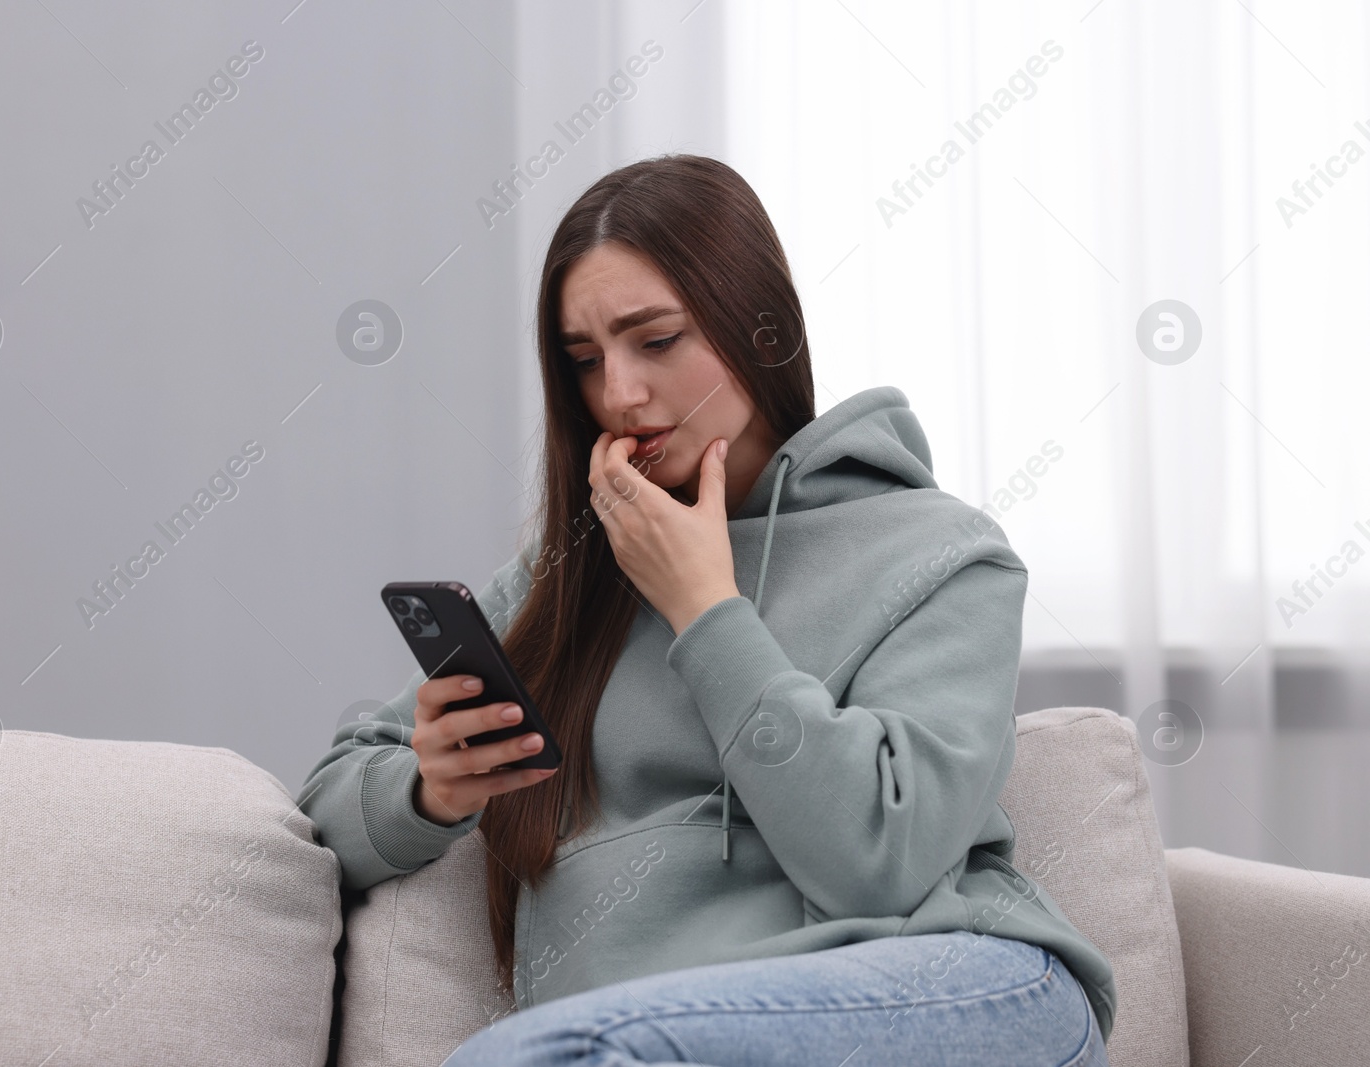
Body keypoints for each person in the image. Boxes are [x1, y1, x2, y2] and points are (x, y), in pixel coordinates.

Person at [299, 154, 1114, 1066]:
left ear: (757, 329)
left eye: (655, 341)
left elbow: (878, 863)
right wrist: (428, 788)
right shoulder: (570, 576)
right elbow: (326, 803)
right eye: (584, 360)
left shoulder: (939, 552)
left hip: (955, 993)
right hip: (648, 1036)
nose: (619, 393)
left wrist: (705, 608)